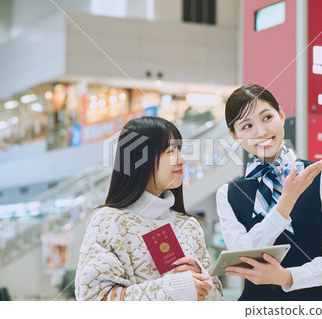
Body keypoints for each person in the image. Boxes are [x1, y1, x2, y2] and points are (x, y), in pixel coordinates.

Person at [216, 84, 322, 301]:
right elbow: (242, 256)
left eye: (267, 117)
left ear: (281, 114)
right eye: (247, 126)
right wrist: (284, 205)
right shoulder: (228, 193)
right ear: (234, 135)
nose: (261, 132)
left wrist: (287, 276)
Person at [75, 116, 223, 301]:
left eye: (180, 149)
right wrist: (174, 289)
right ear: (139, 159)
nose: (182, 159)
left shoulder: (189, 226)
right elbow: (93, 299)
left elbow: (219, 301)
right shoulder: (109, 222)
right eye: (171, 151)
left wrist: (201, 280)